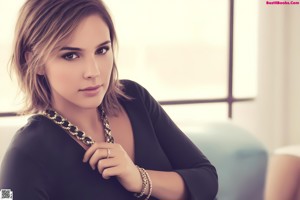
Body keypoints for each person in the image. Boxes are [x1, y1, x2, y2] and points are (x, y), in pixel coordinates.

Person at [0, 0, 218, 199]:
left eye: (102, 50)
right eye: (71, 55)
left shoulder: (134, 99)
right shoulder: (25, 155)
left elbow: (207, 180)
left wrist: (139, 178)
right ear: (35, 62)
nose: (93, 71)